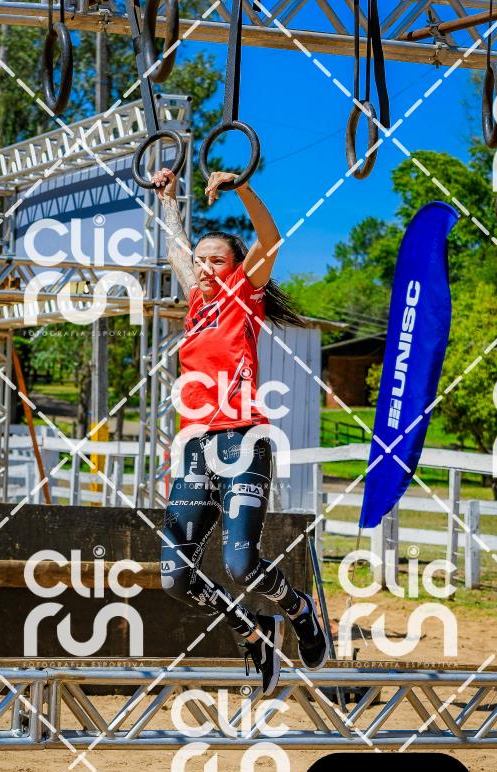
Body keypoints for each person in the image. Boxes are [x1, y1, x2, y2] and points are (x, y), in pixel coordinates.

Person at [154, 166, 330, 695]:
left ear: (234, 268)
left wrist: (243, 189)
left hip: (242, 439)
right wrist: (168, 199)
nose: (205, 267)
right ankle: (253, 631)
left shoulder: (241, 294)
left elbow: (271, 240)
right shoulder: (196, 302)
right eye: (201, 261)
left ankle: (298, 608)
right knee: (174, 577)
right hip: (195, 445)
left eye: (217, 260)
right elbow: (177, 249)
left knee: (240, 564)